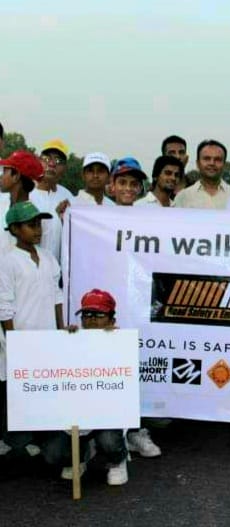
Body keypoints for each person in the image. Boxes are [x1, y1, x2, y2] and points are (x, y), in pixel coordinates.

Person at [42, 289, 129, 485]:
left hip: (105, 416)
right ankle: (80, 455)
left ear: (111, 319)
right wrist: (62, 341)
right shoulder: (70, 339)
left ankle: (118, 460)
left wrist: (114, 343)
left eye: (99, 315)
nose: (91, 320)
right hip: (71, 418)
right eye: (87, 314)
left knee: (109, 441)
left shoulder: (121, 343)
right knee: (52, 454)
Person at [0, 202, 63, 458]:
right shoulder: (8, 261)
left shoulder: (48, 258)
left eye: (39, 224)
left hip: (47, 338)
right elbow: (4, 305)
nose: (38, 230)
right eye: (31, 225)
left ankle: (39, 438)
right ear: (15, 229)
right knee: (16, 392)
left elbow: (57, 296)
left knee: (43, 389)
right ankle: (14, 442)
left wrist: (61, 330)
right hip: (21, 338)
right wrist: (13, 342)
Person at [29, 139, 74, 262]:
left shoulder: (68, 197)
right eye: (47, 158)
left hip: (56, 273)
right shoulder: (27, 193)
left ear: (64, 167)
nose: (52, 164)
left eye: (58, 161)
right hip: (27, 270)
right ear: (39, 161)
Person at [0, 151, 45, 253]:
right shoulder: (2, 205)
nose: (1, 176)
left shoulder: (37, 213)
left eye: (5, 172)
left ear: (16, 176)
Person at [173, 140, 230, 209]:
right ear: (197, 163)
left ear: (224, 164)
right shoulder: (183, 197)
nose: (212, 163)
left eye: (217, 159)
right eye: (207, 159)